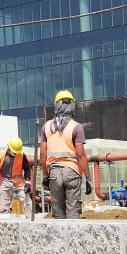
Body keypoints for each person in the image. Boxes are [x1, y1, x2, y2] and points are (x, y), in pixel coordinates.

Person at [39, 90, 89, 219]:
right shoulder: (76, 127)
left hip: (54, 173)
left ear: (56, 105)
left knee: (58, 212)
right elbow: (80, 154)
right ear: (72, 106)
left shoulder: (46, 127)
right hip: (72, 172)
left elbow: (43, 154)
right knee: (73, 210)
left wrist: (45, 175)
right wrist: (88, 178)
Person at [0, 136, 32, 215]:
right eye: (14, 152)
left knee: (27, 201)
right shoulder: (0, 155)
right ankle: (5, 220)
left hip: (18, 180)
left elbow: (27, 169)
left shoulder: (22, 155)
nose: (15, 153)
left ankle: (30, 219)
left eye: (17, 152)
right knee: (3, 204)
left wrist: (27, 182)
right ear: (8, 147)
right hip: (5, 180)